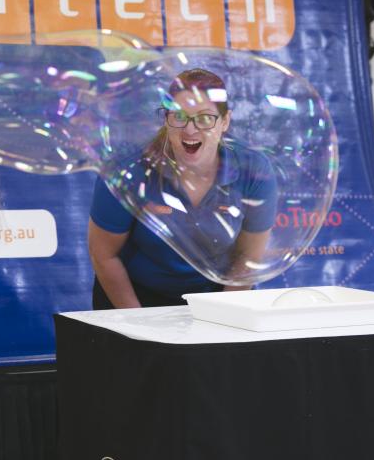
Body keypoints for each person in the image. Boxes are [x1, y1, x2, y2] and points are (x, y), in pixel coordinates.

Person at [88, 68, 278, 309]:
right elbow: (104, 255)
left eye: (205, 118)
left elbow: (248, 257)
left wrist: (222, 318)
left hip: (219, 297)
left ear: (225, 121)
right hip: (134, 297)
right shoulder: (126, 169)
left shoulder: (253, 170)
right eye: (178, 116)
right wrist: (138, 325)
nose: (190, 129)